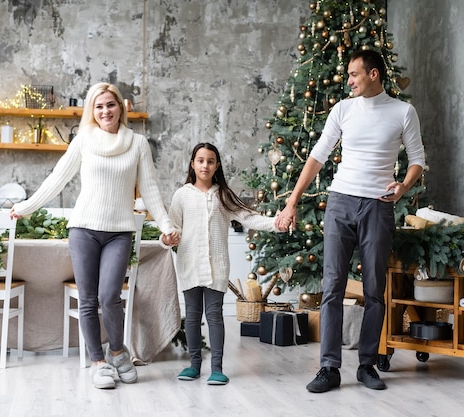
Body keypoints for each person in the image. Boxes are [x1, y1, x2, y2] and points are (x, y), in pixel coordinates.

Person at [11, 82, 179, 390]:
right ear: (92, 110)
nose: (105, 111)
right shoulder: (83, 140)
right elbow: (57, 178)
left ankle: (118, 352)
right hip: (83, 229)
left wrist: (167, 226)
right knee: (88, 300)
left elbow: (151, 190)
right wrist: (26, 207)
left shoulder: (137, 143)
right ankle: (97, 362)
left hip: (120, 232)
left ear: (120, 108)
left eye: (110, 105)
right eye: (99, 106)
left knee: (109, 297)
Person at [275, 50, 425, 393]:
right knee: (332, 287)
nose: (349, 80)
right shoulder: (343, 109)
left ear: (373, 74)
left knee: (374, 288)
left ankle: (367, 364)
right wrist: (293, 200)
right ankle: (329, 367)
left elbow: (417, 159)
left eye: (354, 74)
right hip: (340, 202)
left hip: (378, 206)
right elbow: (317, 155)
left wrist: (402, 187)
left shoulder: (403, 112)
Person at [163, 142, 283, 385]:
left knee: (215, 315)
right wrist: (167, 238)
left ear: (217, 165)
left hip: (217, 266)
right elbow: (173, 226)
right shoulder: (182, 195)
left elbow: (249, 217)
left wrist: (275, 223)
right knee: (193, 316)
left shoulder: (223, 194)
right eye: (200, 160)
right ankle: (194, 365)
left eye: (210, 161)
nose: (205, 165)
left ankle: (216, 368)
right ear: (192, 164)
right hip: (189, 265)